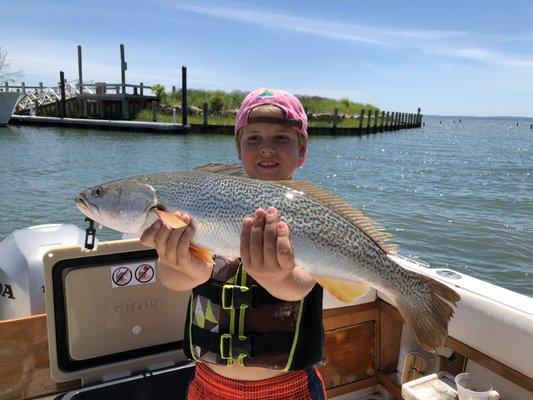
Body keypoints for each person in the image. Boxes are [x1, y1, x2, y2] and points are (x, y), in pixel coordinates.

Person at [140, 88, 326, 399]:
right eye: (253, 138)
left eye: (281, 138)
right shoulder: (200, 202)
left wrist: (278, 276)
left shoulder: (311, 214)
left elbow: (300, 286)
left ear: (302, 149)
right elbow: (174, 279)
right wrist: (180, 263)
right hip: (208, 385)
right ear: (238, 148)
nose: (266, 148)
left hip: (289, 389)